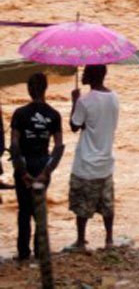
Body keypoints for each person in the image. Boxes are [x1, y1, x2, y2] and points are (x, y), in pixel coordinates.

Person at [10, 73, 65, 262]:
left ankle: (23, 253)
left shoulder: (20, 113)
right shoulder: (54, 115)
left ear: (28, 89)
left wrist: (22, 172)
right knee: (39, 209)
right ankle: (40, 251)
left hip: (24, 162)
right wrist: (46, 173)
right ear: (46, 89)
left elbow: (14, 145)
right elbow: (58, 147)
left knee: (24, 209)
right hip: (43, 163)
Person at [68, 65, 120, 251]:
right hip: (106, 160)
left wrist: (74, 101)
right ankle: (109, 240)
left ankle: (81, 241)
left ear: (91, 76)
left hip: (86, 162)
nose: (82, 74)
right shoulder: (114, 97)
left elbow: (75, 126)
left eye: (85, 72)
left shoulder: (85, 101)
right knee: (107, 204)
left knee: (82, 206)